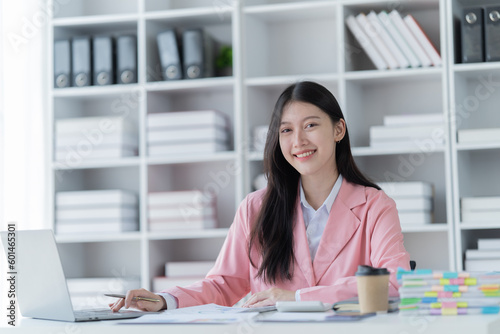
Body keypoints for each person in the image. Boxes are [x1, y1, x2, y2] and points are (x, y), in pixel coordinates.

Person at [110, 81, 410, 312]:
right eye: (286, 131)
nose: (299, 141)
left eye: (311, 125)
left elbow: (394, 283)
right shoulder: (256, 207)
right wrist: (165, 299)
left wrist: (298, 297)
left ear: (338, 130)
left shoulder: (375, 206)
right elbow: (224, 284)